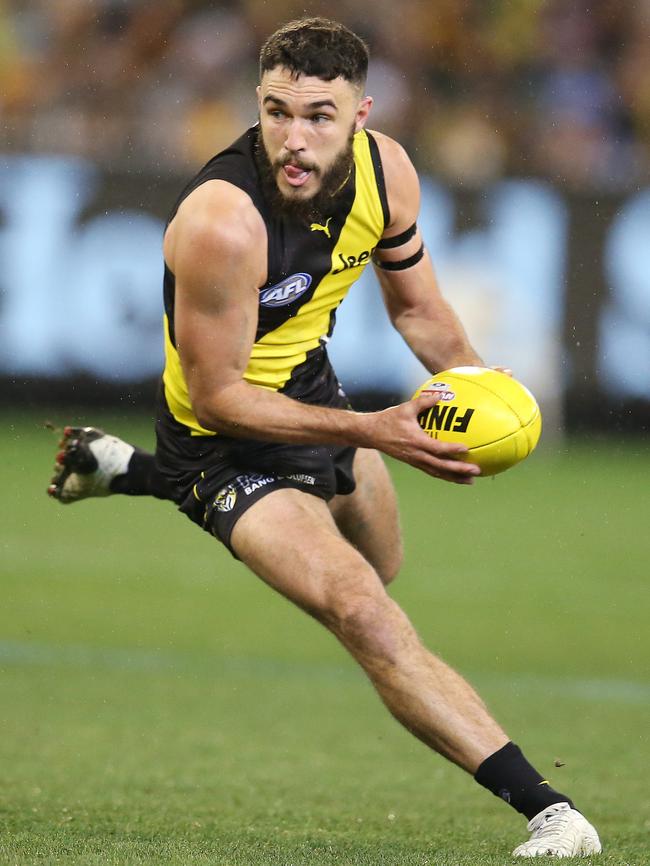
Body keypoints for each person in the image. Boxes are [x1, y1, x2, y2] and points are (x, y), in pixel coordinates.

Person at [48, 18, 601, 858]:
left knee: (382, 570)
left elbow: (419, 311)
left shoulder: (389, 173)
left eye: (318, 116)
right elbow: (221, 394)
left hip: (310, 389)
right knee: (364, 612)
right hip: (221, 441)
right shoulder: (221, 222)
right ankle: (551, 811)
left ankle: (124, 472)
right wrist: (373, 429)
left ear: (362, 116)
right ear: (256, 106)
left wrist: (491, 393)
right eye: (276, 112)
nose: (293, 139)